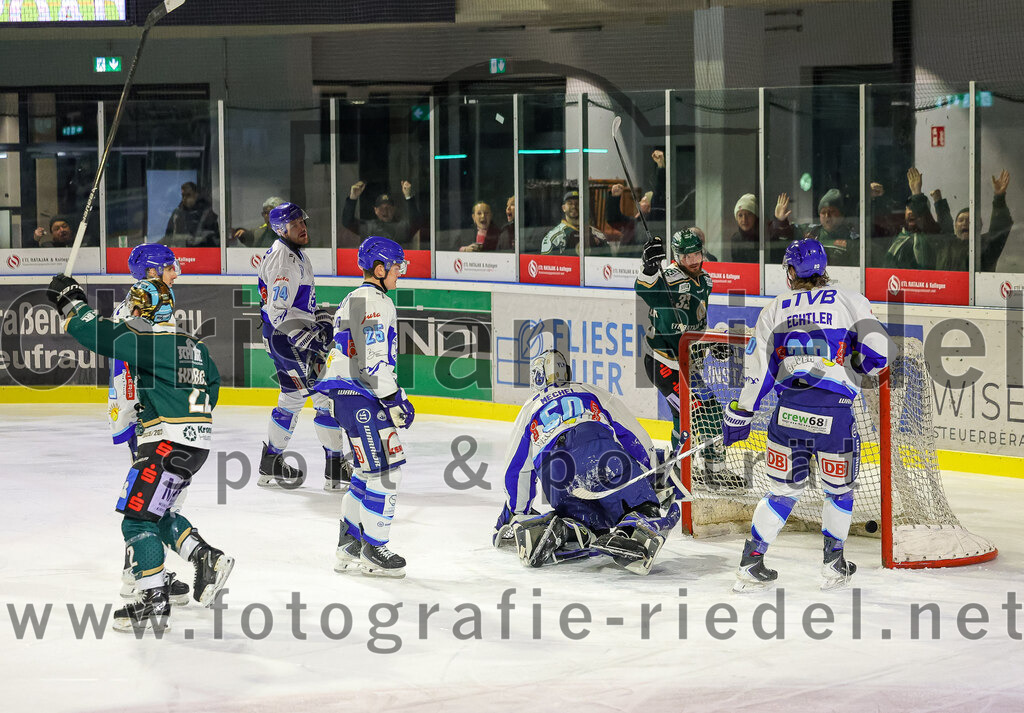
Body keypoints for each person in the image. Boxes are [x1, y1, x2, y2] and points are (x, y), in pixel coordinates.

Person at [47, 272, 234, 633]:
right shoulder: (195, 346)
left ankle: (154, 600)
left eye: (136, 305)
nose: (131, 311)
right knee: (157, 514)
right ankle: (204, 557)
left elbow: (97, 333)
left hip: (165, 443)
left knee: (135, 520)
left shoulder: (149, 339)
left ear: (149, 310)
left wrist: (70, 301)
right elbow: (212, 386)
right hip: (195, 444)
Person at [723, 238, 892, 593]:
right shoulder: (850, 299)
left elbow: (758, 371)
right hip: (835, 417)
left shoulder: (774, 308)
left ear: (790, 271)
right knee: (839, 492)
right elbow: (880, 355)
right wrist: (857, 362)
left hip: (788, 414)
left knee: (781, 492)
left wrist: (742, 413)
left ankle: (750, 563)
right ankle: (833, 565)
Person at [491, 349, 680, 575]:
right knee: (642, 503)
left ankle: (568, 529)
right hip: (600, 453)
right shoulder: (588, 391)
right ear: (567, 372)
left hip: (555, 472)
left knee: (588, 522)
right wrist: (651, 473)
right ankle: (633, 529)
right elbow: (632, 434)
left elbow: (517, 468)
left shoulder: (530, 407)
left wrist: (517, 511)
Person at [315, 236, 415, 578]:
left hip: (347, 396)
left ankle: (349, 546)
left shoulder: (355, 297)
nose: (400, 272)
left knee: (365, 473)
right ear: (379, 268)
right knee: (387, 472)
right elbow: (372, 362)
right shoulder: (374, 301)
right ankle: (374, 548)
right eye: (396, 266)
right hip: (362, 396)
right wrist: (396, 398)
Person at [107, 243, 192, 605]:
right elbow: (136, 364)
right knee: (154, 499)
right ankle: (137, 574)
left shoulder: (144, 302)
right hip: (147, 415)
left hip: (145, 413)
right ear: (153, 272)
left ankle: (145, 569)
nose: (176, 274)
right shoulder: (145, 304)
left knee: (158, 497)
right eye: (170, 268)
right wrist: (147, 413)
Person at [256, 201, 354, 491]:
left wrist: (318, 316)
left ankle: (270, 464)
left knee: (293, 398)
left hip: (283, 338)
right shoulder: (284, 260)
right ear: (280, 229)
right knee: (325, 396)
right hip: (288, 339)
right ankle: (335, 470)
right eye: (294, 224)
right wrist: (307, 338)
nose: (302, 227)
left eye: (302, 221)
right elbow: (277, 310)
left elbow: (293, 305)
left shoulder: (292, 253)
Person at [634, 229, 726, 481]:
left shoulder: (705, 280)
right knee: (695, 412)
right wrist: (649, 268)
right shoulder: (668, 278)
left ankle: (702, 470)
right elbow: (644, 289)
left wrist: (711, 343)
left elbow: (698, 322)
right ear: (677, 257)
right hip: (662, 364)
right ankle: (680, 469)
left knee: (702, 412)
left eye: (696, 254)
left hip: (686, 364)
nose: (693, 260)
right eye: (686, 256)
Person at [932, 170, 1013, 272]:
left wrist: (999, 197)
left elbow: (999, 229)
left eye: (970, 220)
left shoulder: (985, 245)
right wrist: (938, 201)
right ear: (955, 226)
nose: (965, 223)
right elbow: (945, 226)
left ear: (979, 226)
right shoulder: (947, 245)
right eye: (961, 220)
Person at [772, 189, 859, 267]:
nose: (827, 216)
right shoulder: (811, 231)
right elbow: (786, 234)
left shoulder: (852, 239)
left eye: (832, 211)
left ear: (842, 214)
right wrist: (781, 221)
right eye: (823, 212)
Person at [883, 167, 942, 269]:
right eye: (908, 208)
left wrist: (916, 193)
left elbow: (943, 228)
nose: (911, 212)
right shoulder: (897, 235)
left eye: (915, 209)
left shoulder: (931, 235)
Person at [342, 180, 423, 247]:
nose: (385, 211)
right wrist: (353, 198)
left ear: (394, 209)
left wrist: (409, 197)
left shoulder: (402, 227)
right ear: (375, 210)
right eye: (381, 208)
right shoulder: (368, 227)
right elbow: (347, 222)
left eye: (388, 208)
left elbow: (416, 223)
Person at [540, 190, 608, 255]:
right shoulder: (554, 238)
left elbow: (608, 259)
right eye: (570, 203)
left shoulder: (597, 235)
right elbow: (546, 262)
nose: (574, 206)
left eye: (578, 203)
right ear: (564, 208)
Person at [164, 182, 220, 248]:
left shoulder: (208, 214)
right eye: (183, 196)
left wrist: (203, 237)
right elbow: (168, 237)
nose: (185, 199)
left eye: (188, 195)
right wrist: (182, 238)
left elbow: (215, 240)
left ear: (196, 195)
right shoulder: (176, 214)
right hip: (181, 251)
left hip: (203, 251)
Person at [729, 193, 760, 263]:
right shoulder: (735, 239)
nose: (744, 219)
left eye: (749, 214)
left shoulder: (764, 236)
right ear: (736, 219)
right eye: (740, 215)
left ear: (755, 216)